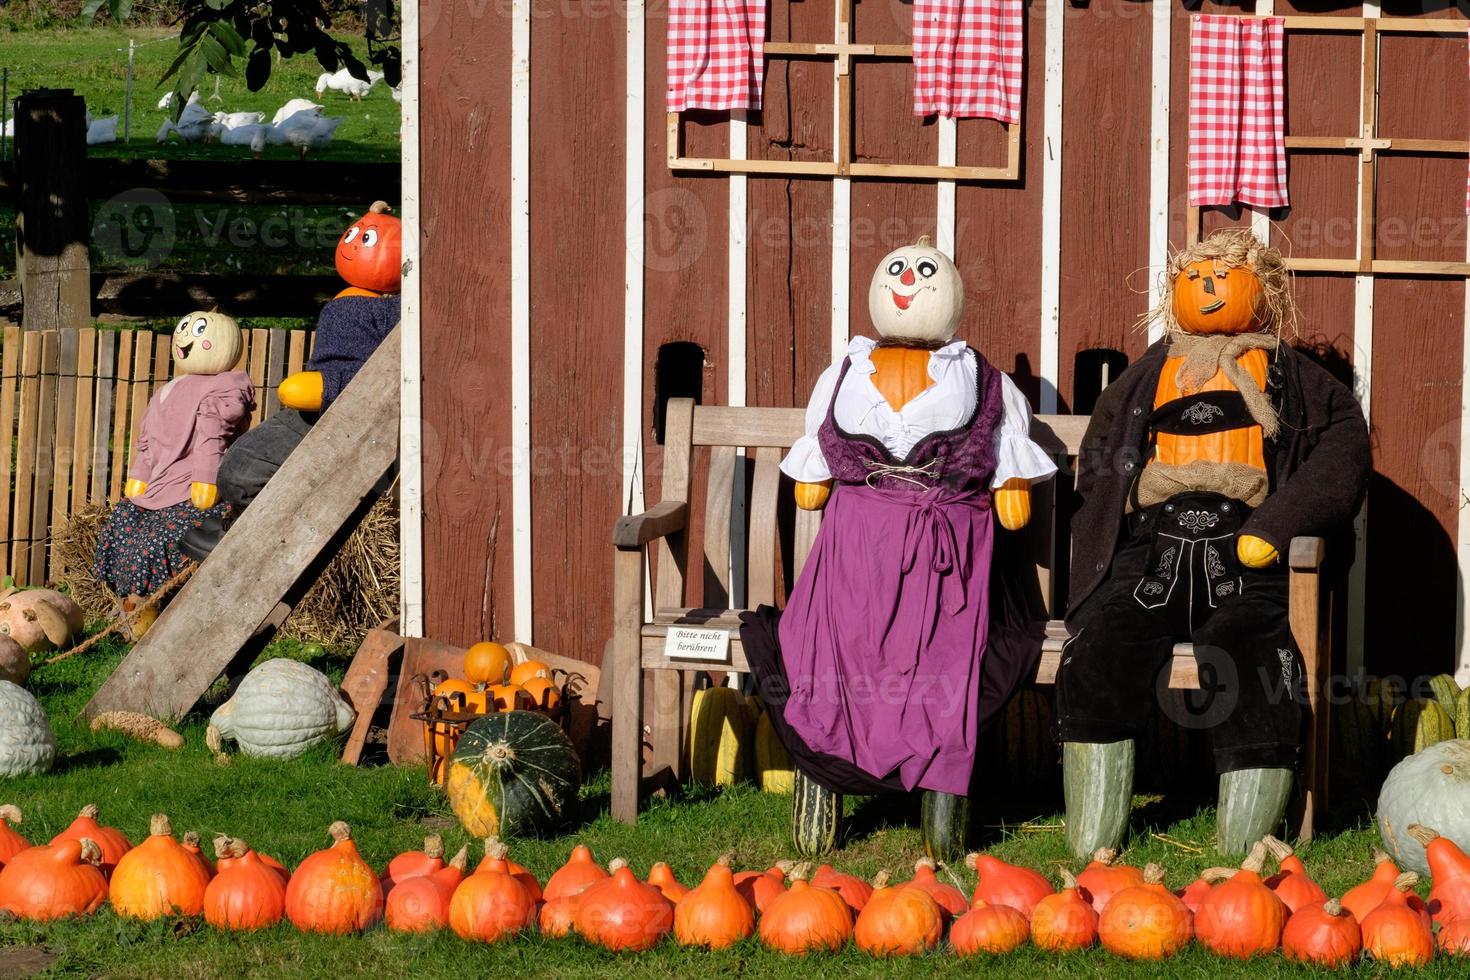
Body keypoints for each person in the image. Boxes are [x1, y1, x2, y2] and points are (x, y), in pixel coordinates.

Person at [1054, 229, 1371, 857]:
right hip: (1153, 548)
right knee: (1104, 644)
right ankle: (1093, 843)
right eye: (1195, 274)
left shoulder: (1295, 377)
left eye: (1223, 275)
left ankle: (1242, 852)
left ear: (1263, 288)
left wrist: (1276, 526)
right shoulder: (1150, 373)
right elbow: (1099, 451)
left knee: (1251, 652)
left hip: (1245, 547)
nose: (1206, 286)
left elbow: (1343, 455)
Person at [740, 237, 1057, 859]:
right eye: (898, 271)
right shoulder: (848, 371)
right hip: (857, 546)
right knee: (832, 649)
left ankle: (940, 817)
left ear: (949, 293)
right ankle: (828, 781)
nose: (908, 281)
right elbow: (818, 444)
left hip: (948, 548)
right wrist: (814, 477)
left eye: (923, 272)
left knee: (944, 664)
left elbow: (1005, 445)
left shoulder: (978, 375)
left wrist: (1011, 485)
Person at [180, 202, 401, 560]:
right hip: (328, 407)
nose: (355, 244)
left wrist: (326, 387)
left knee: (246, 470)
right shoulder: (354, 303)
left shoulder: (392, 310)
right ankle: (241, 521)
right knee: (241, 465)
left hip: (347, 413)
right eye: (356, 233)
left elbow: (362, 376)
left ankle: (255, 538)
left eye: (369, 237)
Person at [94, 311, 254, 630]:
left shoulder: (226, 385)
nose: (184, 337)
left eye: (195, 331)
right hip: (159, 485)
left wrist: (206, 481)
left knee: (167, 537)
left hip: (197, 488)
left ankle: (159, 606)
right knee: (124, 522)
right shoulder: (170, 388)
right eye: (183, 329)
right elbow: (147, 440)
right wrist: (140, 476)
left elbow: (213, 437)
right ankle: (131, 600)